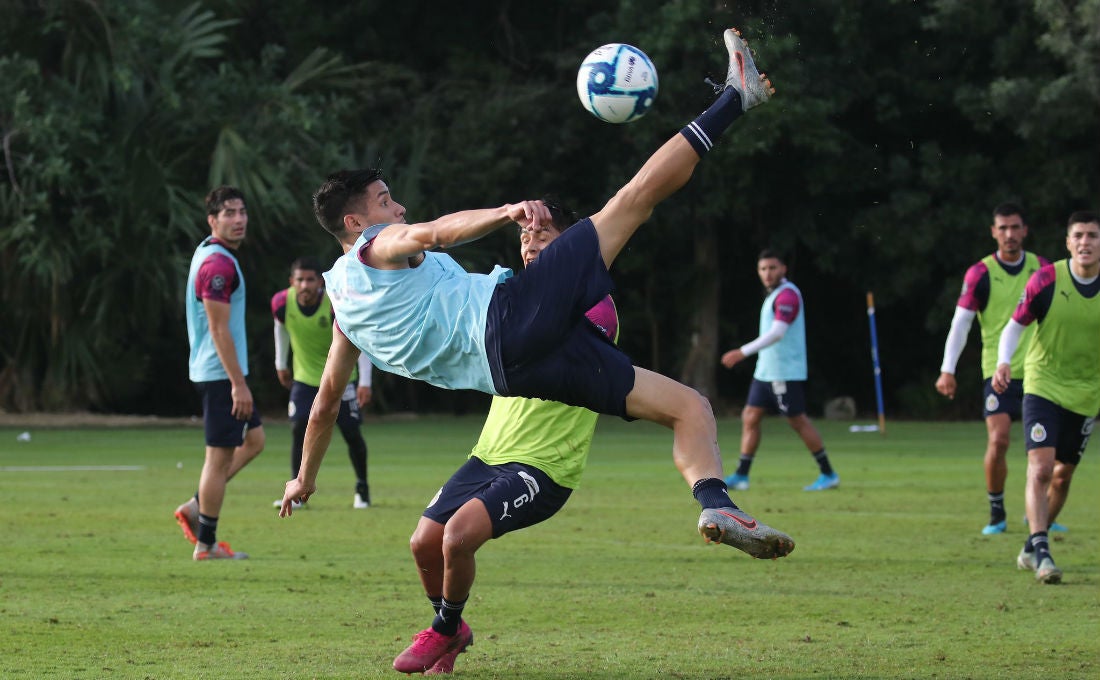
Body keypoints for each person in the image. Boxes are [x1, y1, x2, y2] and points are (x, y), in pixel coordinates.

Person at [281, 28, 794, 671]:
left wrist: (304, 477)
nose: (398, 206)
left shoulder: (344, 311)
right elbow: (435, 232)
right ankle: (734, 100)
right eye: (385, 201)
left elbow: (326, 402)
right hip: (512, 328)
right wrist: (502, 212)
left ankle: (717, 507)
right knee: (631, 203)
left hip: (522, 369)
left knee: (689, 405)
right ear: (355, 224)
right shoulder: (375, 246)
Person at [389, 203, 616, 674]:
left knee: (457, 537)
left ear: (572, 246)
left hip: (545, 465)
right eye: (525, 239)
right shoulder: (511, 293)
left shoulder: (595, 305)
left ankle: (446, 631)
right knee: (423, 542)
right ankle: (451, 629)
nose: (531, 246)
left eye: (545, 238)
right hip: (489, 454)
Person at [993, 210, 1100, 585]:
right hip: (1043, 385)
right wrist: (1004, 361)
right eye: (1079, 236)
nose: (1085, 242)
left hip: (1087, 393)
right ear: (1068, 243)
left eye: (1092, 236)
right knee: (1040, 468)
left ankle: (1030, 543)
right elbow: (1014, 326)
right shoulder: (1048, 278)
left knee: (1062, 476)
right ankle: (1043, 552)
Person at [935, 203, 1051, 535]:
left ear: (1025, 230)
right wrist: (947, 369)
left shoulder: (1043, 270)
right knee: (999, 440)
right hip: (997, 372)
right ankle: (997, 511)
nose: (1010, 234)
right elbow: (961, 325)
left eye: (1015, 227)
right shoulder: (980, 274)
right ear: (993, 232)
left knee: (1044, 448)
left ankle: (1040, 512)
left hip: (1040, 372)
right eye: (1003, 228)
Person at [173, 186, 264, 561]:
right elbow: (218, 328)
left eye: (242, 211)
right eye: (229, 213)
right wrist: (237, 384)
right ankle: (206, 544)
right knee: (218, 458)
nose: (239, 219)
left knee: (254, 440)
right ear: (213, 220)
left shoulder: (213, 253)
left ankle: (197, 505)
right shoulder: (217, 264)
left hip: (220, 371)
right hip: (220, 374)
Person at [719, 249, 838, 491]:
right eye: (763, 269)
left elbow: (777, 333)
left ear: (783, 268)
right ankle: (742, 475)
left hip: (783, 371)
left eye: (772, 268)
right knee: (750, 417)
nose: (767, 273)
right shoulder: (773, 296)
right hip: (765, 371)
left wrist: (743, 351)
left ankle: (828, 473)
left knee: (798, 421)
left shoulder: (788, 296)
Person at [272, 256, 374, 510]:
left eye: (310, 280)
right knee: (298, 429)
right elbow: (280, 330)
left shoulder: (335, 303)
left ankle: (362, 488)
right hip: (305, 379)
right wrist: (280, 364)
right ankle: (298, 491)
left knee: (352, 433)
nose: (305, 285)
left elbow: (358, 339)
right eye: (300, 280)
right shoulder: (282, 303)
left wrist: (365, 381)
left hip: (340, 379)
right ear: (291, 282)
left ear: (320, 282)